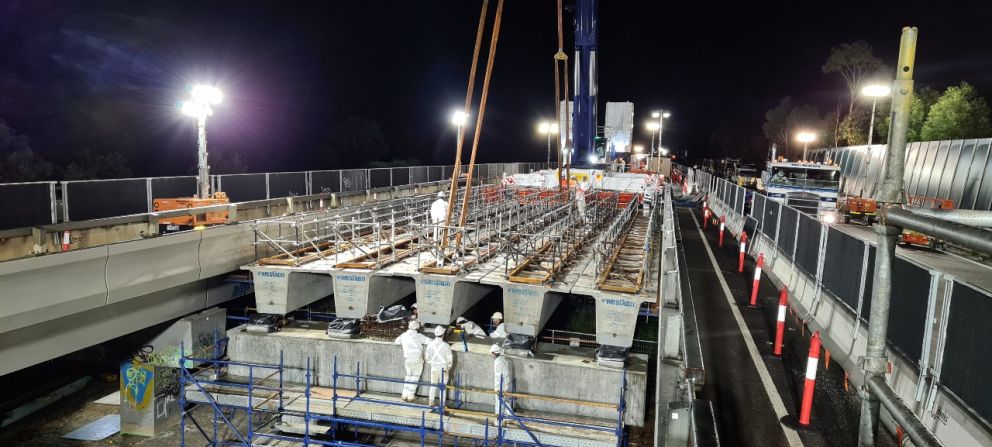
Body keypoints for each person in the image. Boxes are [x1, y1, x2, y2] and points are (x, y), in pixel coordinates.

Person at [394, 321, 430, 402]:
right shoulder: (418, 336)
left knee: (408, 376)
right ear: (417, 327)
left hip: (408, 359)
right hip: (416, 359)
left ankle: (404, 395)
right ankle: (411, 396)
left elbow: (396, 341)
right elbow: (429, 341)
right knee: (415, 377)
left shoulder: (404, 335)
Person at [424, 326, 453, 409]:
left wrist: (432, 364)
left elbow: (427, 357)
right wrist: (449, 367)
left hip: (434, 369)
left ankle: (431, 405)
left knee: (433, 386)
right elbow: (450, 359)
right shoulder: (446, 346)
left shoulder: (430, 344)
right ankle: (442, 405)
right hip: (444, 369)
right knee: (443, 388)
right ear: (443, 334)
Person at [490, 344, 513, 416]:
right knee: (505, 400)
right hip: (506, 383)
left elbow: (498, 377)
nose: (491, 355)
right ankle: (509, 414)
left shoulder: (497, 362)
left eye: (491, 353)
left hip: (501, 385)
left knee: (499, 401)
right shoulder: (502, 359)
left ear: (494, 353)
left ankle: (498, 417)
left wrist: (498, 389)